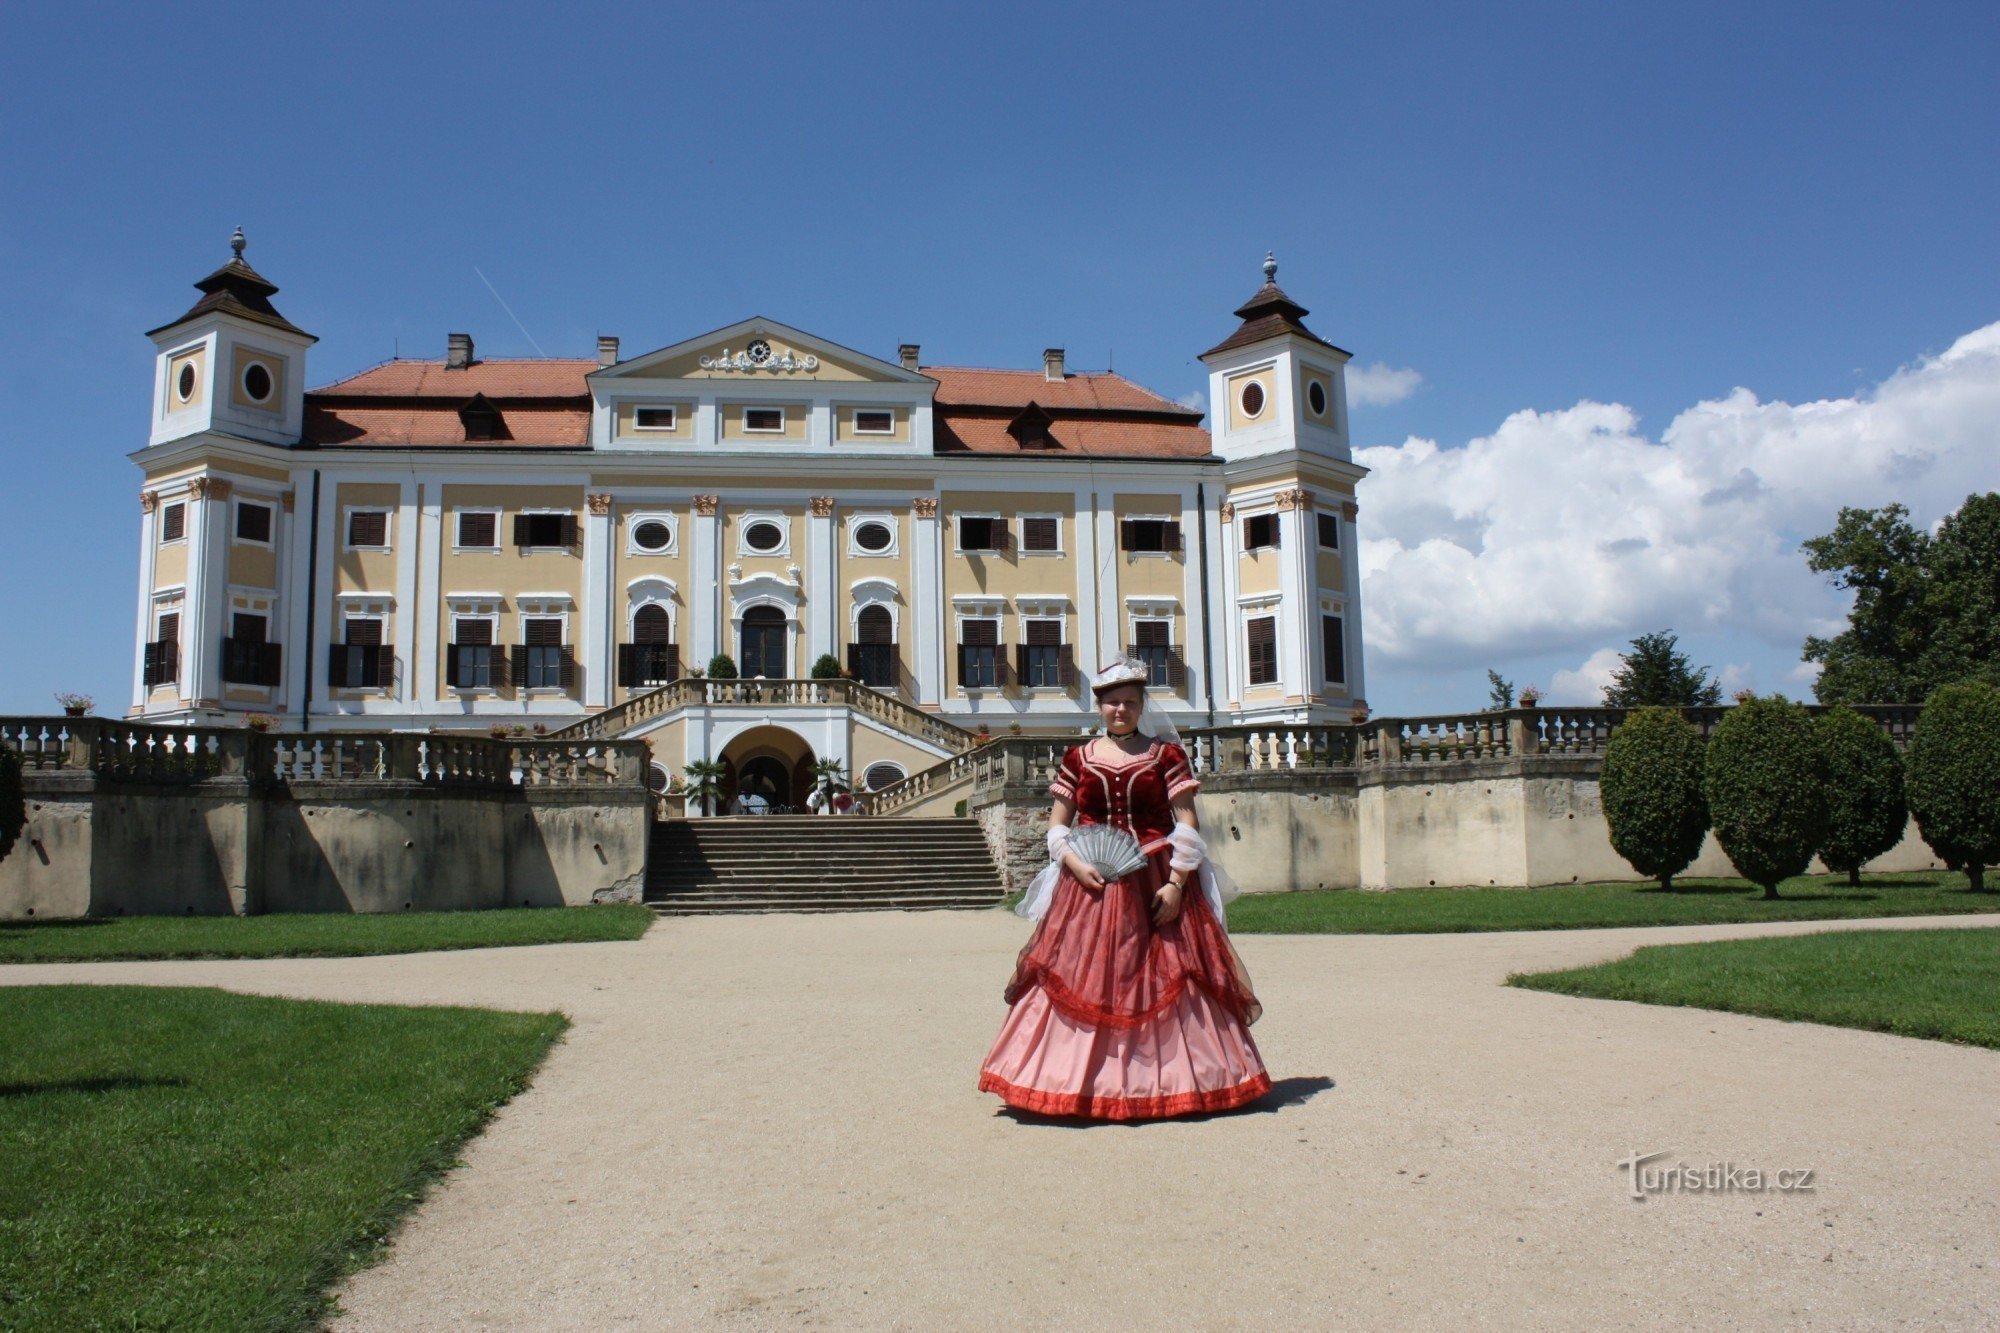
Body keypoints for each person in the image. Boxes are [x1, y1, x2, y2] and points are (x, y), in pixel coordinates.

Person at [977, 657, 1270, 1120]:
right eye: (1113, 703)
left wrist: (1176, 884)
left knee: (1172, 972)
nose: (1121, 710)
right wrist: (1074, 861)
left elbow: (1187, 822)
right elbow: (1058, 827)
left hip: (1154, 877)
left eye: (1130, 703)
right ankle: (1078, 1081)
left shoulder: (1165, 755)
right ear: (1100, 706)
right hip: (1091, 884)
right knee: (1083, 975)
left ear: (1141, 706)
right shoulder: (1078, 758)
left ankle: (1176, 1079)